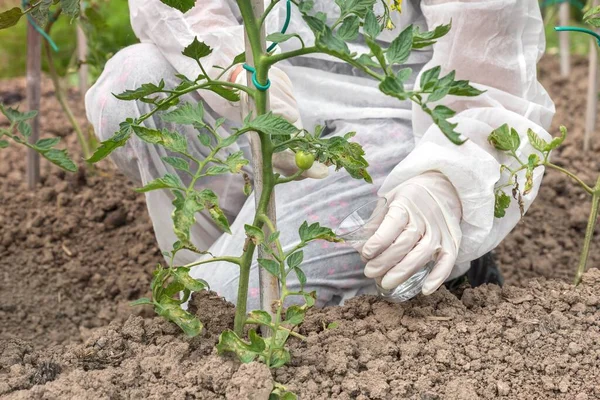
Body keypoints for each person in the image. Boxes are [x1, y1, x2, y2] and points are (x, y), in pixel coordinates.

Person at [86, 0, 554, 309]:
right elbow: (184, 9)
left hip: (395, 125)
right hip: (270, 96)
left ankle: (445, 260)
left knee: (235, 307)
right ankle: (207, 261)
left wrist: (443, 181)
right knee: (134, 81)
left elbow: (488, 87)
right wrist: (230, 69)